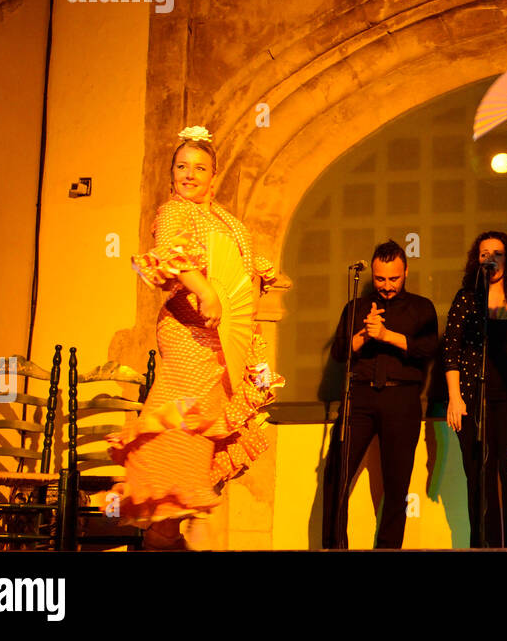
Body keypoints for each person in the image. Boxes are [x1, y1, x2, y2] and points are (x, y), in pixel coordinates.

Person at [110, 125, 286, 550]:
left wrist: (249, 288)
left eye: (199, 168)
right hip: (187, 333)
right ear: (172, 172)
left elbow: (239, 277)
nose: (189, 175)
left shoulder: (226, 221)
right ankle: (167, 528)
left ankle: (169, 532)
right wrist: (204, 289)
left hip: (221, 344)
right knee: (182, 425)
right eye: (182, 166)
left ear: (213, 174)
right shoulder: (175, 212)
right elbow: (170, 254)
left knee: (204, 433)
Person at [325, 240, 438, 549]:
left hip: (401, 399)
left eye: (393, 279)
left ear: (405, 272)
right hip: (360, 397)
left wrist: (387, 336)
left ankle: (387, 550)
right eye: (380, 279)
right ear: (372, 275)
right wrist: (363, 335)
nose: (387, 286)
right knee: (336, 474)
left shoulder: (421, 307)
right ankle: (335, 548)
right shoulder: (357, 307)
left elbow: (428, 350)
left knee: (397, 485)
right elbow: (338, 352)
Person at [442, 231, 507, 547]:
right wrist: (454, 398)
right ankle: (481, 546)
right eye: (484, 253)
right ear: (478, 260)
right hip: (475, 399)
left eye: (497, 252)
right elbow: (452, 349)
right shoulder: (467, 298)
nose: (490, 258)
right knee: (479, 480)